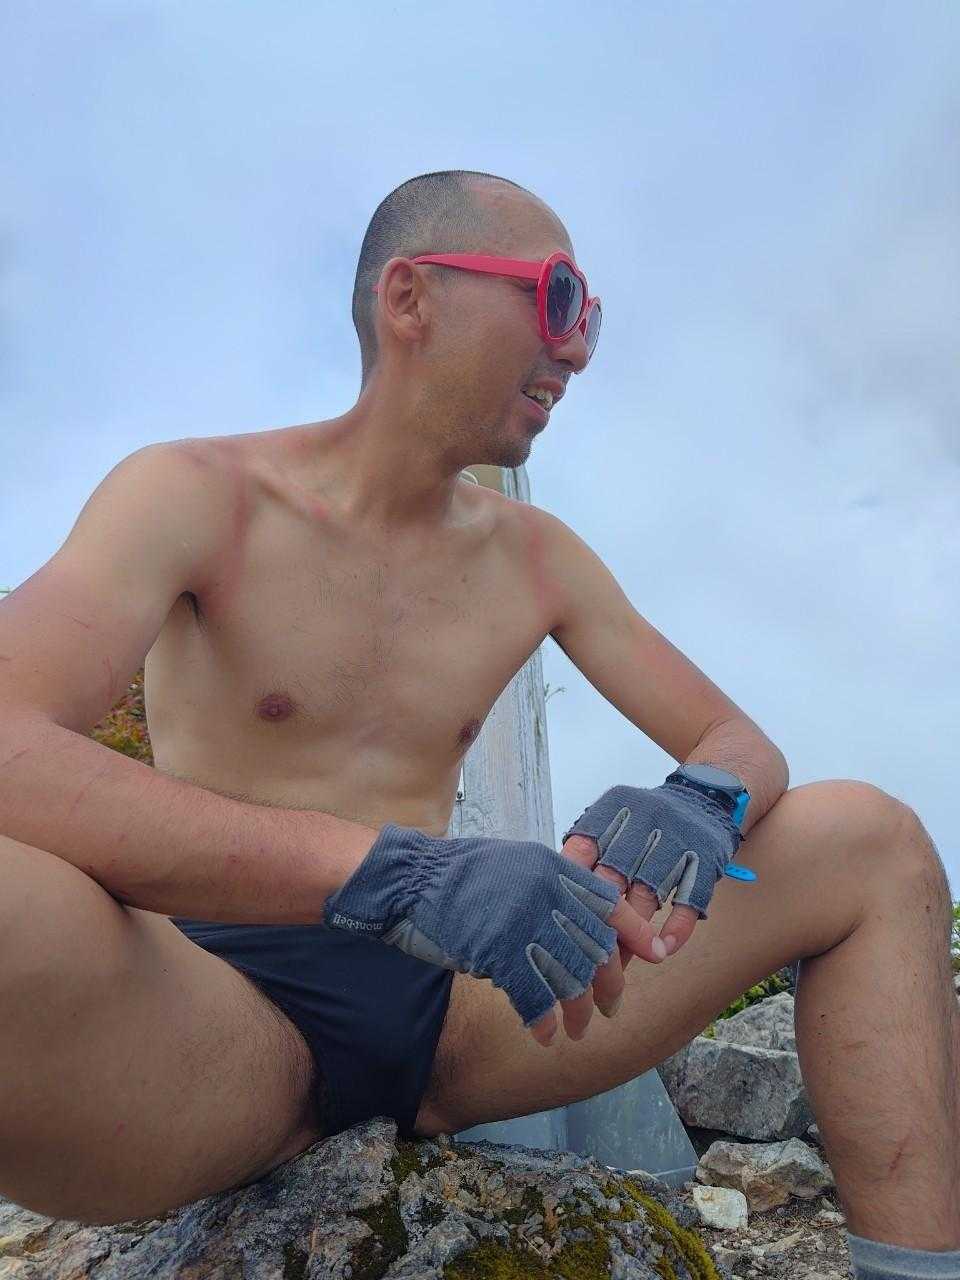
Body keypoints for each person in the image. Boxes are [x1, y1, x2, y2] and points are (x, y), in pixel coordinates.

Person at [0, 170, 957, 1279]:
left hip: (467, 1019)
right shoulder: (192, 495)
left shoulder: (536, 557)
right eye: (557, 298)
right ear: (410, 298)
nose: (577, 350)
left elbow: (739, 740)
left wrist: (702, 795)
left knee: (869, 840)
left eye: (589, 318)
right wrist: (396, 875)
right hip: (215, 1012)